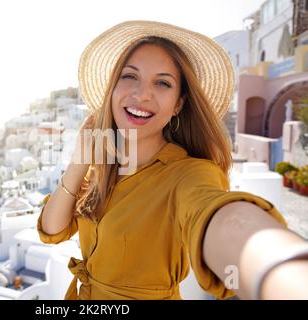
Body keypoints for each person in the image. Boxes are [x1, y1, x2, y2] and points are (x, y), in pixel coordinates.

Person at [37, 20, 308, 300]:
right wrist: (80, 162)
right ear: (113, 89)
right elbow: (52, 230)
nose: (142, 94)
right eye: (130, 76)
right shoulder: (104, 166)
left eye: (163, 83)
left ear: (178, 104)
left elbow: (217, 215)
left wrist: (281, 270)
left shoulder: (189, 174)